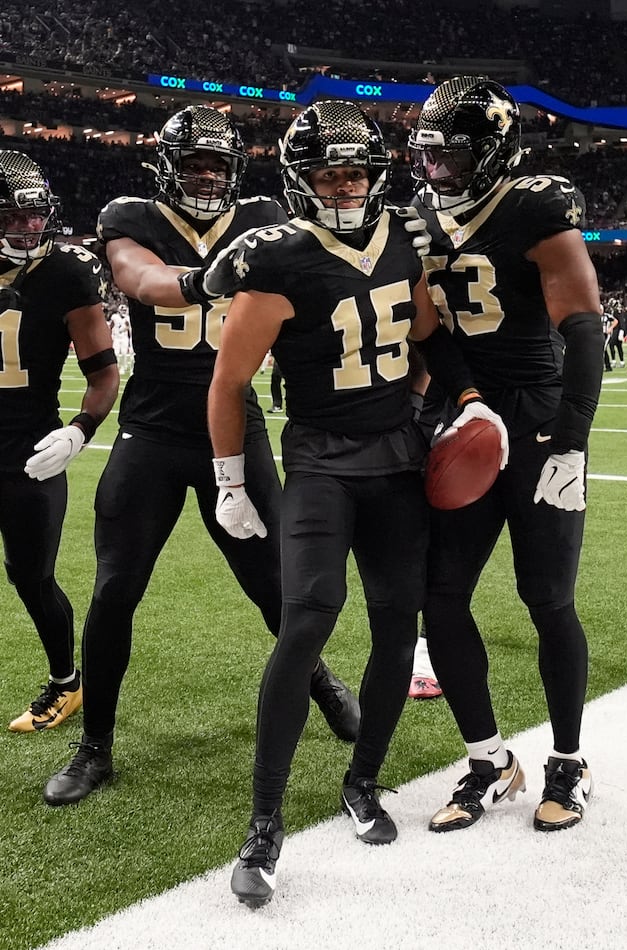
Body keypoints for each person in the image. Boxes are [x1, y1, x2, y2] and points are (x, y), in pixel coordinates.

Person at [207, 100, 506, 907]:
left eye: (354, 172)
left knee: (393, 624)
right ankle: (263, 823)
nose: (343, 186)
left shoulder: (405, 236)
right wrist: (231, 479)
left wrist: (465, 396)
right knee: (306, 618)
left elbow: (428, 333)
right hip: (320, 460)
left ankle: (361, 778)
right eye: (327, 174)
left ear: (376, 174)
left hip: (397, 457)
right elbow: (229, 380)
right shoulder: (280, 258)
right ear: (300, 181)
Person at [43, 105, 360, 808]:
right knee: (115, 590)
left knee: (278, 587)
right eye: (196, 165)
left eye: (219, 165)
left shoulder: (263, 213)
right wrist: (209, 279)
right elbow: (137, 276)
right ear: (168, 169)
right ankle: (95, 745)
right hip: (153, 430)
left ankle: (320, 680)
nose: (209, 176)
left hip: (235, 427)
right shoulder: (132, 215)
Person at [409, 75, 602, 834]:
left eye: (453, 156)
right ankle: (489, 760)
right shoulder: (418, 215)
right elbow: (423, 331)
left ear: (492, 153)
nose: (437, 171)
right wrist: (445, 403)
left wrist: (573, 440)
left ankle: (568, 760)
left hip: (535, 414)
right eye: (430, 155)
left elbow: (583, 325)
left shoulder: (534, 205)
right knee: (442, 595)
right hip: (459, 414)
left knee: (547, 595)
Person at [0, 150, 119, 733]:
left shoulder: (67, 272)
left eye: (34, 215)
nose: (29, 227)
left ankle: (66, 683)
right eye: (11, 216)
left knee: (30, 575)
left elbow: (103, 373)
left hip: (27, 452)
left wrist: (79, 431)